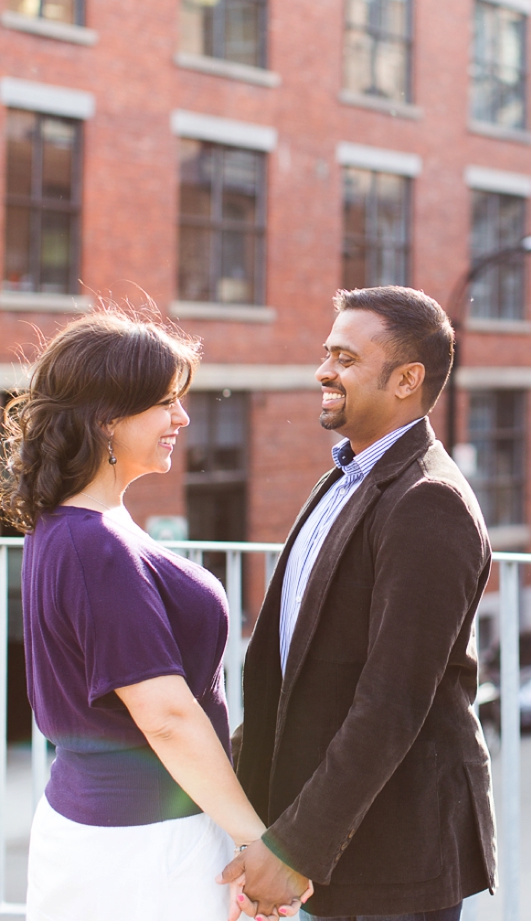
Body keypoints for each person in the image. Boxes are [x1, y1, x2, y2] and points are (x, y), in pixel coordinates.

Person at [3, 310, 312, 921]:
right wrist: (258, 844)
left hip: (127, 833)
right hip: (138, 845)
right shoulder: (94, 545)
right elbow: (167, 716)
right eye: (166, 402)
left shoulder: (77, 526)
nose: (183, 418)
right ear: (107, 418)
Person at [222, 286, 497, 921]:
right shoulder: (345, 478)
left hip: (393, 857)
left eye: (345, 358)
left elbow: (392, 702)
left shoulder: (430, 502)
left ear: (406, 379)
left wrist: (295, 849)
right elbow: (298, 671)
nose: (323, 370)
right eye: (327, 353)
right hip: (329, 839)